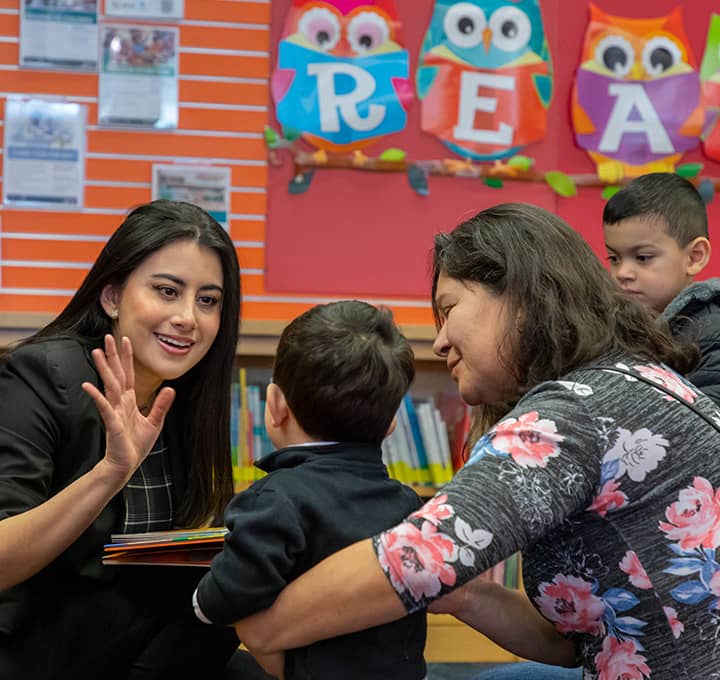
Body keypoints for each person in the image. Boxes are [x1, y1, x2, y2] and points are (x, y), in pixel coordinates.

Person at [230, 203, 720, 679]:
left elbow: (418, 558)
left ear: (520, 295)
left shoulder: (573, 413)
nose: (439, 342)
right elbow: (576, 646)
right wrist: (462, 594)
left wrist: (254, 623)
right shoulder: (633, 380)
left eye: (448, 310)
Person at [0, 200, 245, 680]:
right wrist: (109, 473)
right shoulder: (42, 376)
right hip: (32, 639)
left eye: (208, 300)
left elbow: (153, 556)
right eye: (167, 291)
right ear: (112, 297)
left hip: (132, 637)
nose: (187, 318)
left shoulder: (188, 393)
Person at [193, 300, 428, 680]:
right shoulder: (407, 502)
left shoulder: (273, 500)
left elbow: (230, 595)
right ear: (391, 424)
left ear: (275, 406)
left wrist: (199, 600)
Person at [603, 171, 720, 405]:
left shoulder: (711, 329)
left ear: (694, 257)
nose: (623, 273)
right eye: (614, 258)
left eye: (643, 257)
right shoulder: (616, 328)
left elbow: (709, 424)